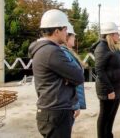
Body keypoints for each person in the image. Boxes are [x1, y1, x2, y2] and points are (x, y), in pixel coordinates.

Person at [29, 9, 85, 138]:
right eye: (65, 30)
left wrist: (67, 78)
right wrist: (68, 79)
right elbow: (79, 76)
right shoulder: (52, 52)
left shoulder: (45, 49)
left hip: (52, 111)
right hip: (56, 112)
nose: (67, 33)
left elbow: (74, 76)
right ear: (56, 31)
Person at [91, 22, 120, 138]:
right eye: (117, 33)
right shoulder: (102, 48)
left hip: (116, 88)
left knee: (111, 116)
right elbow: (99, 70)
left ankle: (108, 135)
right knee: (105, 116)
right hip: (108, 89)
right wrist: (109, 90)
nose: (119, 36)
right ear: (111, 34)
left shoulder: (112, 47)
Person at [60, 23, 86, 120]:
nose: (75, 38)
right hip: (69, 103)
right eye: (73, 36)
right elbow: (71, 80)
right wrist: (75, 105)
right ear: (67, 37)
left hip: (70, 101)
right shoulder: (64, 54)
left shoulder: (67, 52)